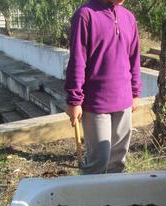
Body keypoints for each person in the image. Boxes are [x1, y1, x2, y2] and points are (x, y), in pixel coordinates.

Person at [64, 0, 141, 174]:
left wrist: (134, 92)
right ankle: (89, 200)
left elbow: (134, 58)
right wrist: (74, 100)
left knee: (118, 161)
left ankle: (113, 199)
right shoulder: (85, 15)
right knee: (98, 161)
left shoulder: (128, 17)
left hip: (124, 100)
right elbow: (77, 59)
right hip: (96, 104)